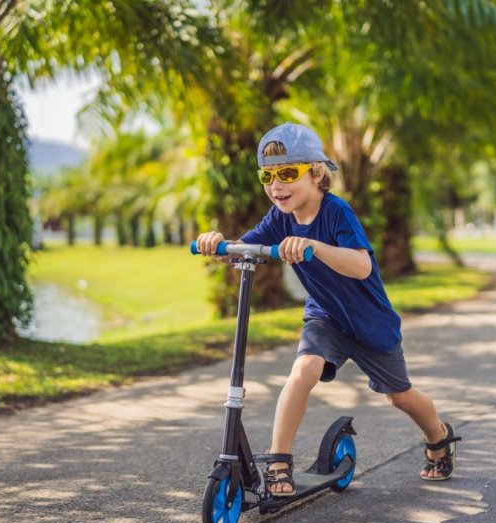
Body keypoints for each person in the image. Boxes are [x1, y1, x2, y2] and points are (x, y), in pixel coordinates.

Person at [195, 122, 460, 496]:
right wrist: (219, 245)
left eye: (288, 173)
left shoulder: (336, 212)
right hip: (325, 317)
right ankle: (279, 462)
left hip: (370, 324)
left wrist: (314, 247)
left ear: (317, 173)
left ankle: (438, 436)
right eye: (267, 176)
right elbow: (245, 249)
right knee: (304, 369)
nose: (276, 185)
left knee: (399, 395)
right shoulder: (280, 217)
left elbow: (361, 265)